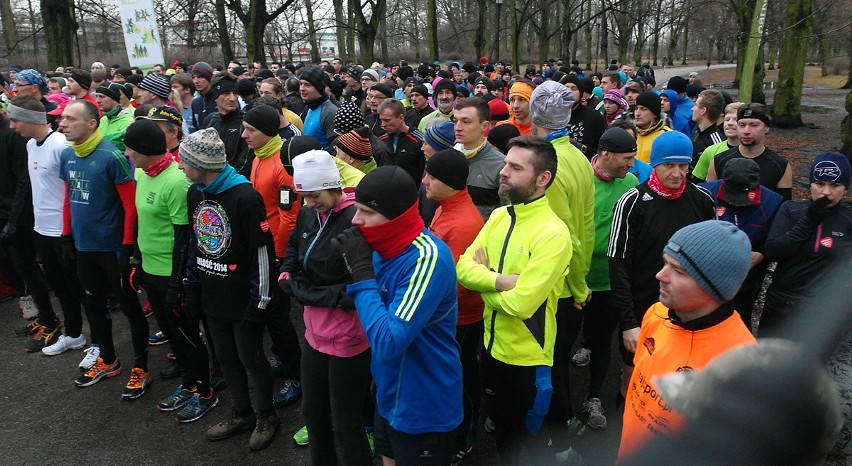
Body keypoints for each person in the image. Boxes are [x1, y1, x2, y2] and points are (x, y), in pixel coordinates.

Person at [332, 166, 463, 465]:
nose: (355, 220)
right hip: (389, 392)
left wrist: (362, 276)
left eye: (366, 211)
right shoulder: (381, 248)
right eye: (356, 209)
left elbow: (389, 342)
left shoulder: (427, 258)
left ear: (397, 218)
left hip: (424, 405)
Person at [457, 135, 572, 465]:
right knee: (504, 436)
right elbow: (462, 268)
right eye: (506, 163)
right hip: (491, 349)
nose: (503, 172)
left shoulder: (553, 233)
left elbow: (521, 306)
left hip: (527, 360)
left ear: (542, 179)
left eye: (515, 167)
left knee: (524, 445)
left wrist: (484, 283)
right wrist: (501, 281)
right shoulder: (499, 216)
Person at [618, 220, 757, 461]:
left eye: (679, 272)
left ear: (714, 289)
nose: (660, 275)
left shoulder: (741, 366)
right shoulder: (656, 313)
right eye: (665, 263)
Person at [180, 128, 279, 451]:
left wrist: (260, 302)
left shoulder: (245, 197)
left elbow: (262, 253)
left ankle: (267, 415)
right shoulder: (196, 192)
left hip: (243, 298)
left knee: (250, 357)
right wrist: (191, 286)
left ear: (201, 163)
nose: (180, 166)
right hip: (212, 294)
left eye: (185, 161)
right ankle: (242, 412)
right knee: (224, 356)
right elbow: (196, 241)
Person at [608, 131, 716, 407]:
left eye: (684, 166)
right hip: (643, 308)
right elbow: (618, 265)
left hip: (687, 310)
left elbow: (709, 259)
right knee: (634, 374)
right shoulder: (632, 202)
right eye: (669, 165)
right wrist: (628, 322)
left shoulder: (702, 200)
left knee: (676, 374)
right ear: (654, 164)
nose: (677, 173)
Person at [279, 150, 373, 466]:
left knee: (346, 421)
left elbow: (358, 287)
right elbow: (295, 245)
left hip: (349, 338)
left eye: (314, 195)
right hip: (315, 332)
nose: (308, 203)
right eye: (303, 196)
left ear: (334, 186)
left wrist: (306, 293)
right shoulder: (310, 213)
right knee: (314, 413)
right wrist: (287, 272)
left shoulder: (355, 220)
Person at [122, 119, 218, 421]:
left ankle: (205, 390)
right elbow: (141, 221)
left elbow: (183, 238)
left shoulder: (176, 181)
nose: (126, 153)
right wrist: (137, 262)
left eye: (130, 147)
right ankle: (188, 383)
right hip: (150, 268)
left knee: (189, 334)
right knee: (172, 335)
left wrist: (178, 285)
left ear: (145, 149)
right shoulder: (141, 172)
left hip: (170, 273)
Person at [58, 100, 151, 395]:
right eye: (62, 118)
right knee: (94, 305)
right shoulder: (67, 154)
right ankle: (108, 359)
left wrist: (126, 248)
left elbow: (130, 207)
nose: (62, 124)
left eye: (70, 119)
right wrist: (65, 235)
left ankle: (141, 367)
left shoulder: (112, 157)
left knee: (130, 308)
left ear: (91, 124)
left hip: (112, 248)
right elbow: (68, 196)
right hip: (84, 247)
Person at [526, 81, 595, 453]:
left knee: (548, 369)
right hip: (573, 280)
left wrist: (578, 285)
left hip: (557, 286)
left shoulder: (546, 166)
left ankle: (558, 441)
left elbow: (566, 234)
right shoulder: (578, 156)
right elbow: (585, 225)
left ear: (536, 115)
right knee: (557, 364)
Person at [7, 96, 89, 356]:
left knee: (78, 288)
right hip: (41, 229)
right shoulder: (30, 144)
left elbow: (71, 190)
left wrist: (69, 230)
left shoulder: (61, 145)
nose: (12, 126)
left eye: (15, 120)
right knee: (60, 287)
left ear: (30, 119)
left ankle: (99, 342)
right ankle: (73, 334)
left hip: (63, 231)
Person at [572, 128, 639, 430]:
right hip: (576, 279)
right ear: (606, 155)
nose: (632, 165)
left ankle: (594, 397)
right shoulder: (580, 180)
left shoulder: (631, 184)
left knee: (603, 340)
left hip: (610, 279)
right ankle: (558, 404)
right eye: (627, 158)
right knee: (565, 340)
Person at [422, 149, 485, 464]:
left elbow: (458, 283)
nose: (425, 182)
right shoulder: (445, 207)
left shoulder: (461, 222)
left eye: (431, 177)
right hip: (447, 316)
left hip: (459, 318)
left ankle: (464, 437)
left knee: (460, 377)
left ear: (448, 181)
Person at [240, 104, 304, 407]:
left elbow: (289, 216)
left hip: (274, 252)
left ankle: (297, 375)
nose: (244, 135)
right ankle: (281, 356)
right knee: (268, 314)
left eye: (250, 130)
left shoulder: (281, 163)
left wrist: (279, 256)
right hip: (260, 247)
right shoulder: (258, 157)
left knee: (278, 316)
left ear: (267, 131)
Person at [759, 152, 851, 337]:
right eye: (820, 184)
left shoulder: (847, 220)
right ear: (810, 184)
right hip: (780, 304)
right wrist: (810, 220)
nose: (826, 192)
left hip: (821, 311)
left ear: (845, 188)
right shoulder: (791, 210)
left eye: (835, 185)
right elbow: (773, 251)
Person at [699, 158, 783, 329]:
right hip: (707, 277)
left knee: (739, 322)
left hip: (747, 280)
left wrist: (761, 255)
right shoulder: (704, 193)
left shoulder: (773, 203)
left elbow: (778, 241)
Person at [706, 103, 793, 201]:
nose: (746, 131)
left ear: (767, 128)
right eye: (742, 125)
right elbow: (708, 198)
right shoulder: (719, 160)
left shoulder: (780, 165)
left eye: (754, 125)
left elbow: (783, 206)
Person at [453, 97, 505, 219]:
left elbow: (507, 213)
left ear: (484, 126)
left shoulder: (500, 165)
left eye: (466, 122)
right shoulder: (450, 156)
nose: (458, 127)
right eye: (456, 121)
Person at [691, 102, 744, 181]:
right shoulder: (710, 151)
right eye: (727, 119)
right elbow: (697, 182)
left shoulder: (752, 152)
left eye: (735, 120)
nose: (730, 123)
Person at [378, 98, 425, 185]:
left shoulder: (419, 141)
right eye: (381, 120)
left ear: (400, 118)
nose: (383, 124)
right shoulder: (381, 140)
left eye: (387, 120)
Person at [299, 66, 338, 150]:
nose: (302, 89)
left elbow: (336, 149)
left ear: (319, 88)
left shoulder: (330, 112)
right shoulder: (309, 108)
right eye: (301, 84)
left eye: (307, 85)